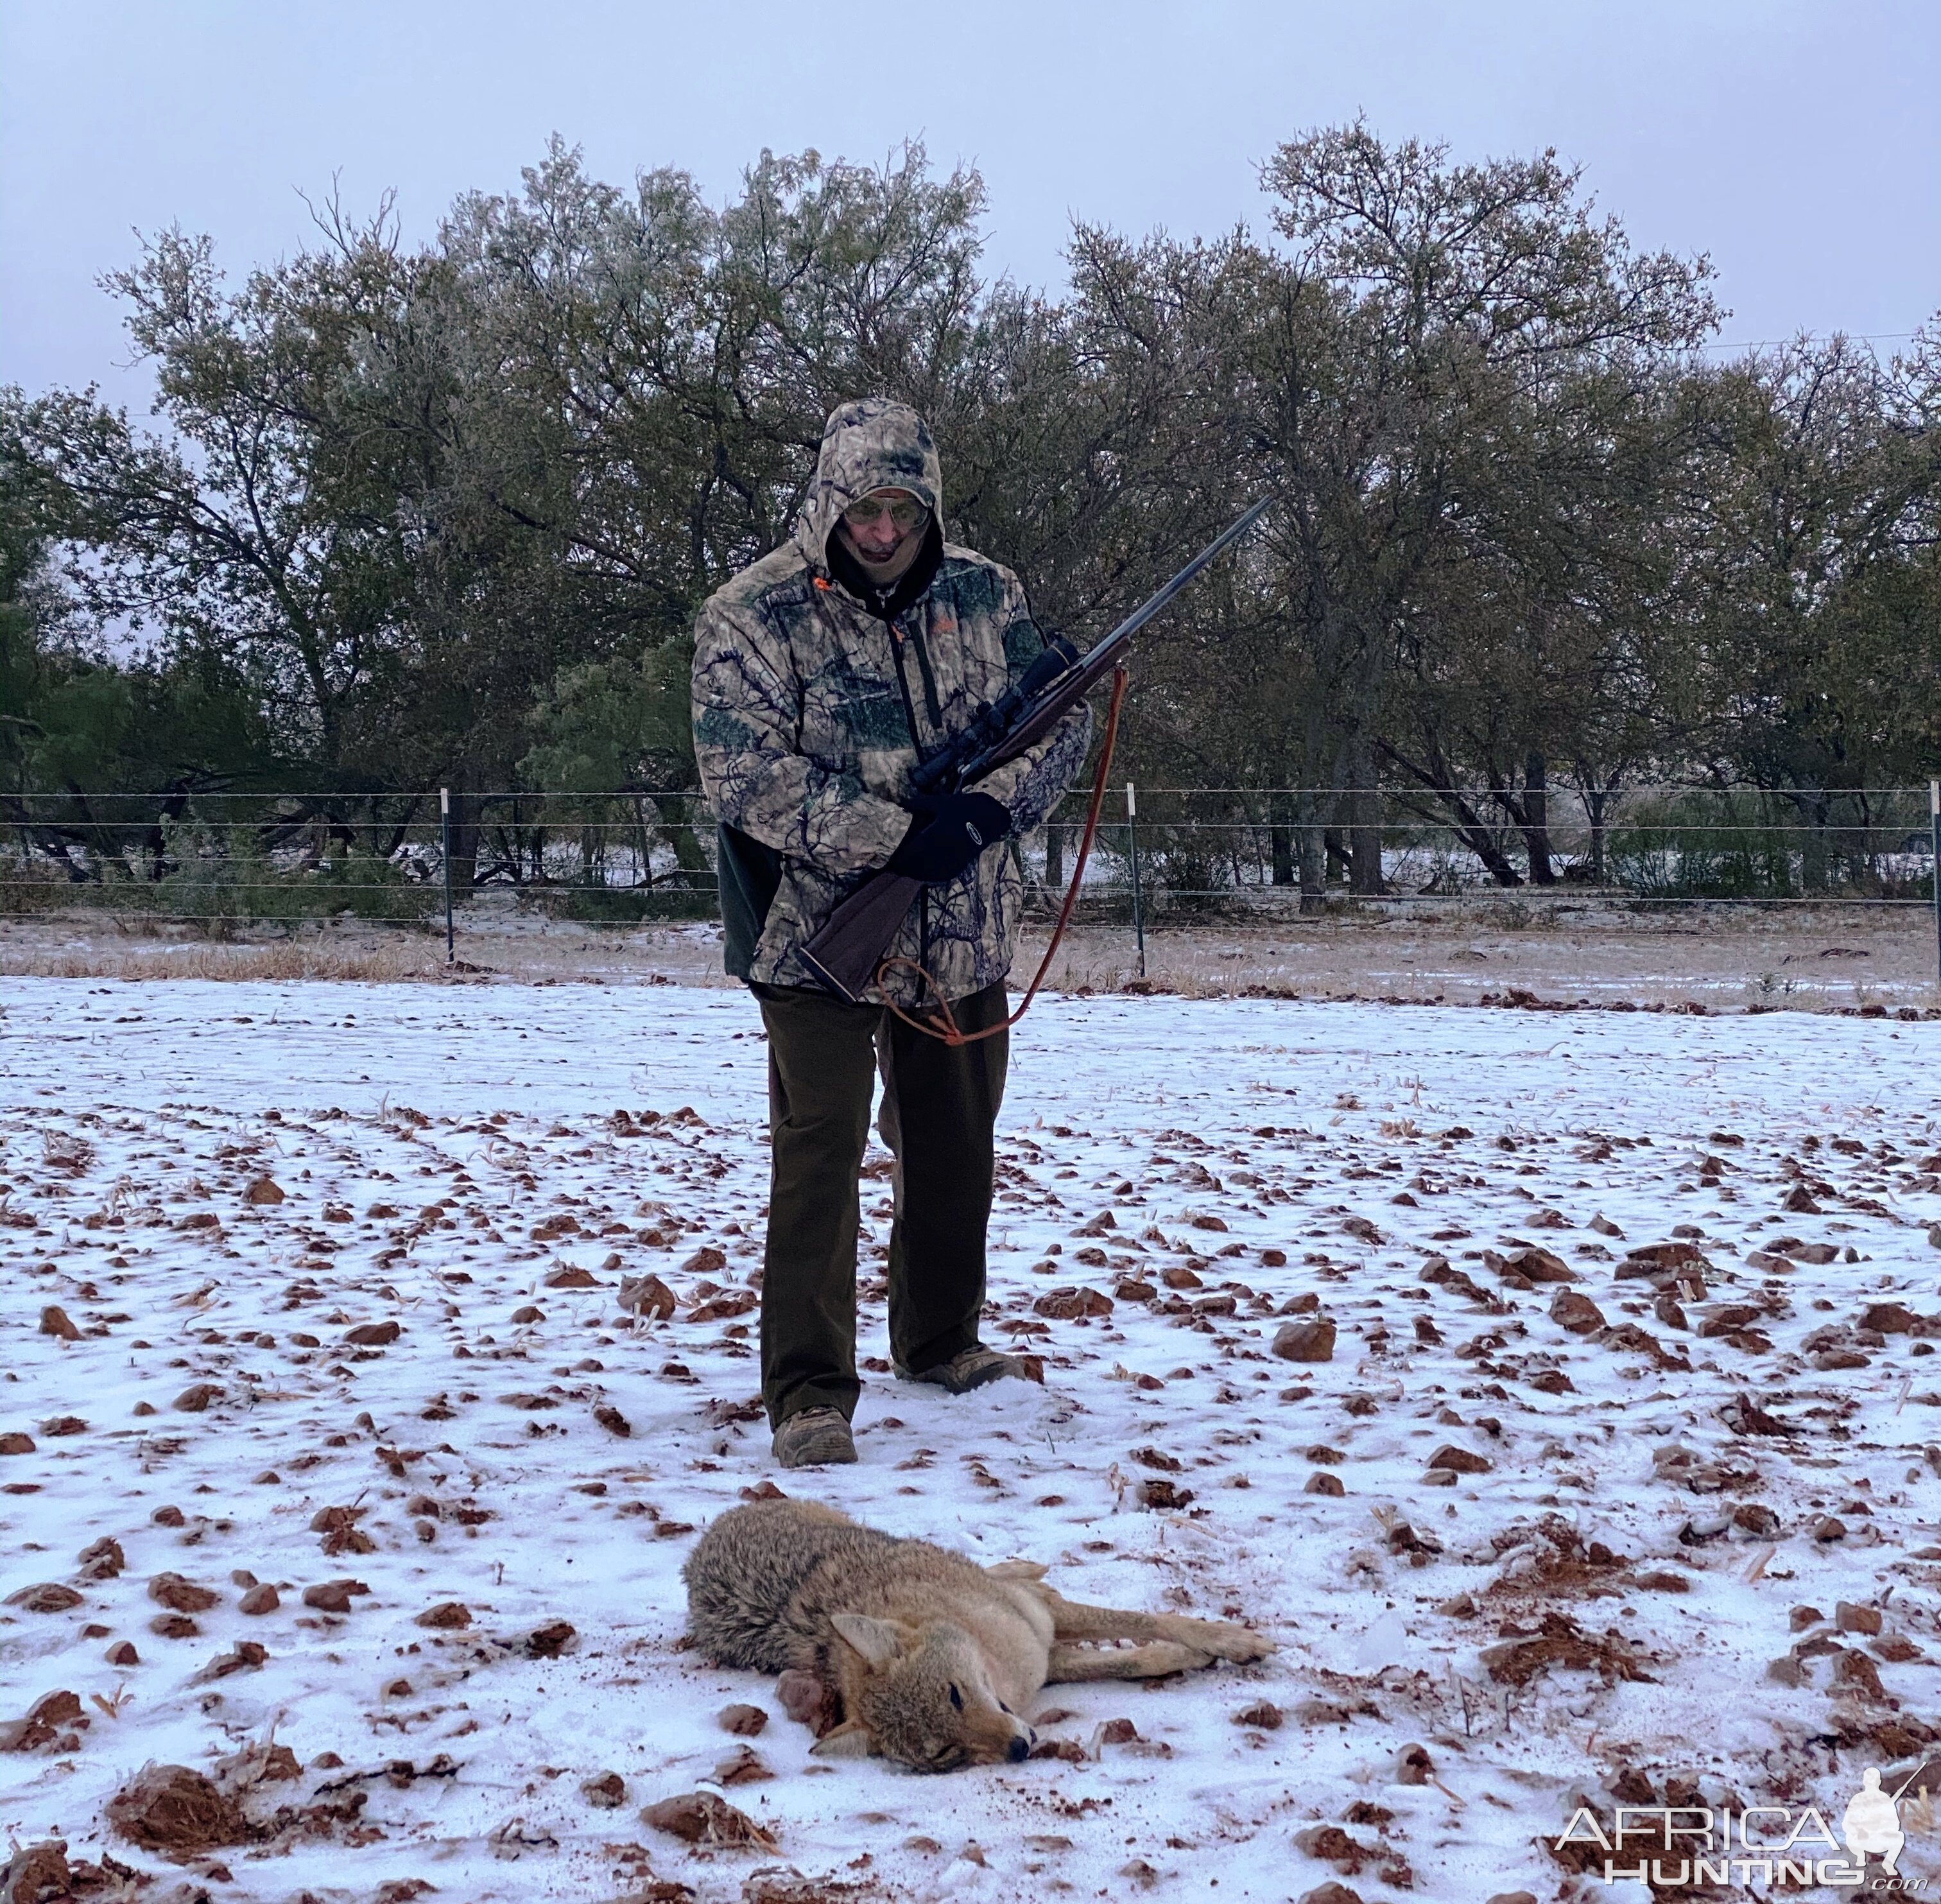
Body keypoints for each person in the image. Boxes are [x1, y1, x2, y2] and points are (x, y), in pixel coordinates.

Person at [691, 397, 1090, 1468]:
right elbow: (744, 776)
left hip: (961, 933)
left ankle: (942, 1341)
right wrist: (896, 833)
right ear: (831, 499)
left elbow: (1061, 722)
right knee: (819, 1155)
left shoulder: (988, 593)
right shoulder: (751, 615)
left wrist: (993, 809)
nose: (882, 529)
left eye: (903, 509)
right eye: (865, 508)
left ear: (929, 506)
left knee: (955, 1145)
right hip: (814, 934)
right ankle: (811, 1391)